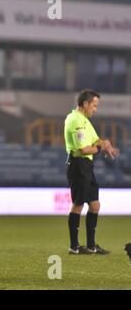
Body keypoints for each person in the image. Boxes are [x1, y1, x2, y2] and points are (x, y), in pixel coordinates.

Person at [64, 89, 119, 255]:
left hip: (86, 165)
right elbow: (83, 149)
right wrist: (99, 147)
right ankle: (74, 247)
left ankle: (91, 246)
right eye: (94, 105)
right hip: (78, 164)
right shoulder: (76, 120)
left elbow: (95, 141)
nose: (95, 109)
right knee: (78, 204)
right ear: (85, 104)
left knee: (95, 205)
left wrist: (105, 143)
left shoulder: (85, 120)